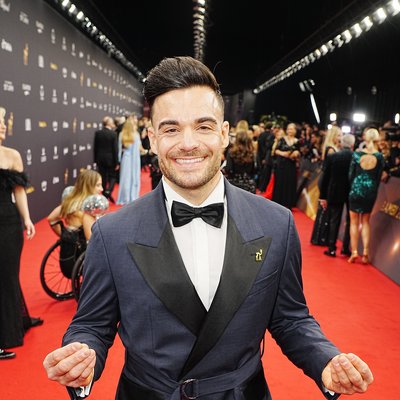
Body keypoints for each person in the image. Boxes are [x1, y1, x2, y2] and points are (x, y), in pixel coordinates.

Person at [43, 57, 373, 400]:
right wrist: (81, 357)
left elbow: (291, 318)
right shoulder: (111, 233)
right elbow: (92, 325)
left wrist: (325, 360)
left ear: (224, 133)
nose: (188, 143)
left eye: (203, 126)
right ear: (152, 139)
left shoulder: (276, 223)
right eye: (171, 129)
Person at [0, 106, 37, 360]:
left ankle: (8, 331)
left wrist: (27, 219)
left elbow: (19, 191)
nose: (3, 125)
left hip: (7, 223)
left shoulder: (12, 156)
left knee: (7, 275)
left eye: (3, 121)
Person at [47, 170, 103, 276]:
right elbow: (90, 239)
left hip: (68, 254)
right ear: (88, 186)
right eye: (98, 185)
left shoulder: (70, 202)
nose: (102, 189)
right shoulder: (87, 208)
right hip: (81, 257)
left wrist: (64, 235)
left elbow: (51, 218)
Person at [348, 128, 384, 264]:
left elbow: (350, 175)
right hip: (370, 191)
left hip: (356, 190)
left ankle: (354, 252)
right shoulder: (379, 157)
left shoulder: (357, 155)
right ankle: (365, 253)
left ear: (365, 138)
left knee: (354, 222)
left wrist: (354, 186)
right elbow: (379, 177)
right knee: (365, 222)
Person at [319, 134, 355, 257]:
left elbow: (325, 177)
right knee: (351, 221)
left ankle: (331, 248)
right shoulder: (356, 157)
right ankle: (346, 248)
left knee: (334, 220)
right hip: (351, 191)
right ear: (352, 145)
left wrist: (323, 196)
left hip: (335, 191)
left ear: (341, 143)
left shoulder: (333, 156)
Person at [272, 122, 301, 209]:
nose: (289, 131)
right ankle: (278, 202)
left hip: (291, 165)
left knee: (290, 183)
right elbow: (276, 150)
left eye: (291, 129)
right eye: (288, 129)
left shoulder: (297, 141)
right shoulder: (282, 139)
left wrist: (297, 153)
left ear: (295, 130)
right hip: (281, 165)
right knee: (280, 182)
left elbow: (300, 152)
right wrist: (284, 154)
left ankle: (288, 203)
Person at [116, 116, 142, 205]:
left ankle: (125, 197)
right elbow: (138, 149)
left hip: (126, 159)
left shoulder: (122, 134)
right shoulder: (136, 135)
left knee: (125, 178)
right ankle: (132, 196)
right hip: (134, 159)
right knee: (133, 177)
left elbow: (119, 150)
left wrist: (119, 160)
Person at [93, 116, 118, 203]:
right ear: (108, 123)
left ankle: (104, 193)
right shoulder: (113, 134)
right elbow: (115, 149)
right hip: (110, 160)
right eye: (111, 121)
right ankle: (108, 191)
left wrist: (95, 160)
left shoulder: (98, 133)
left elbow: (95, 148)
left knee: (103, 177)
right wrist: (117, 162)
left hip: (100, 159)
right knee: (113, 176)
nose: (113, 123)